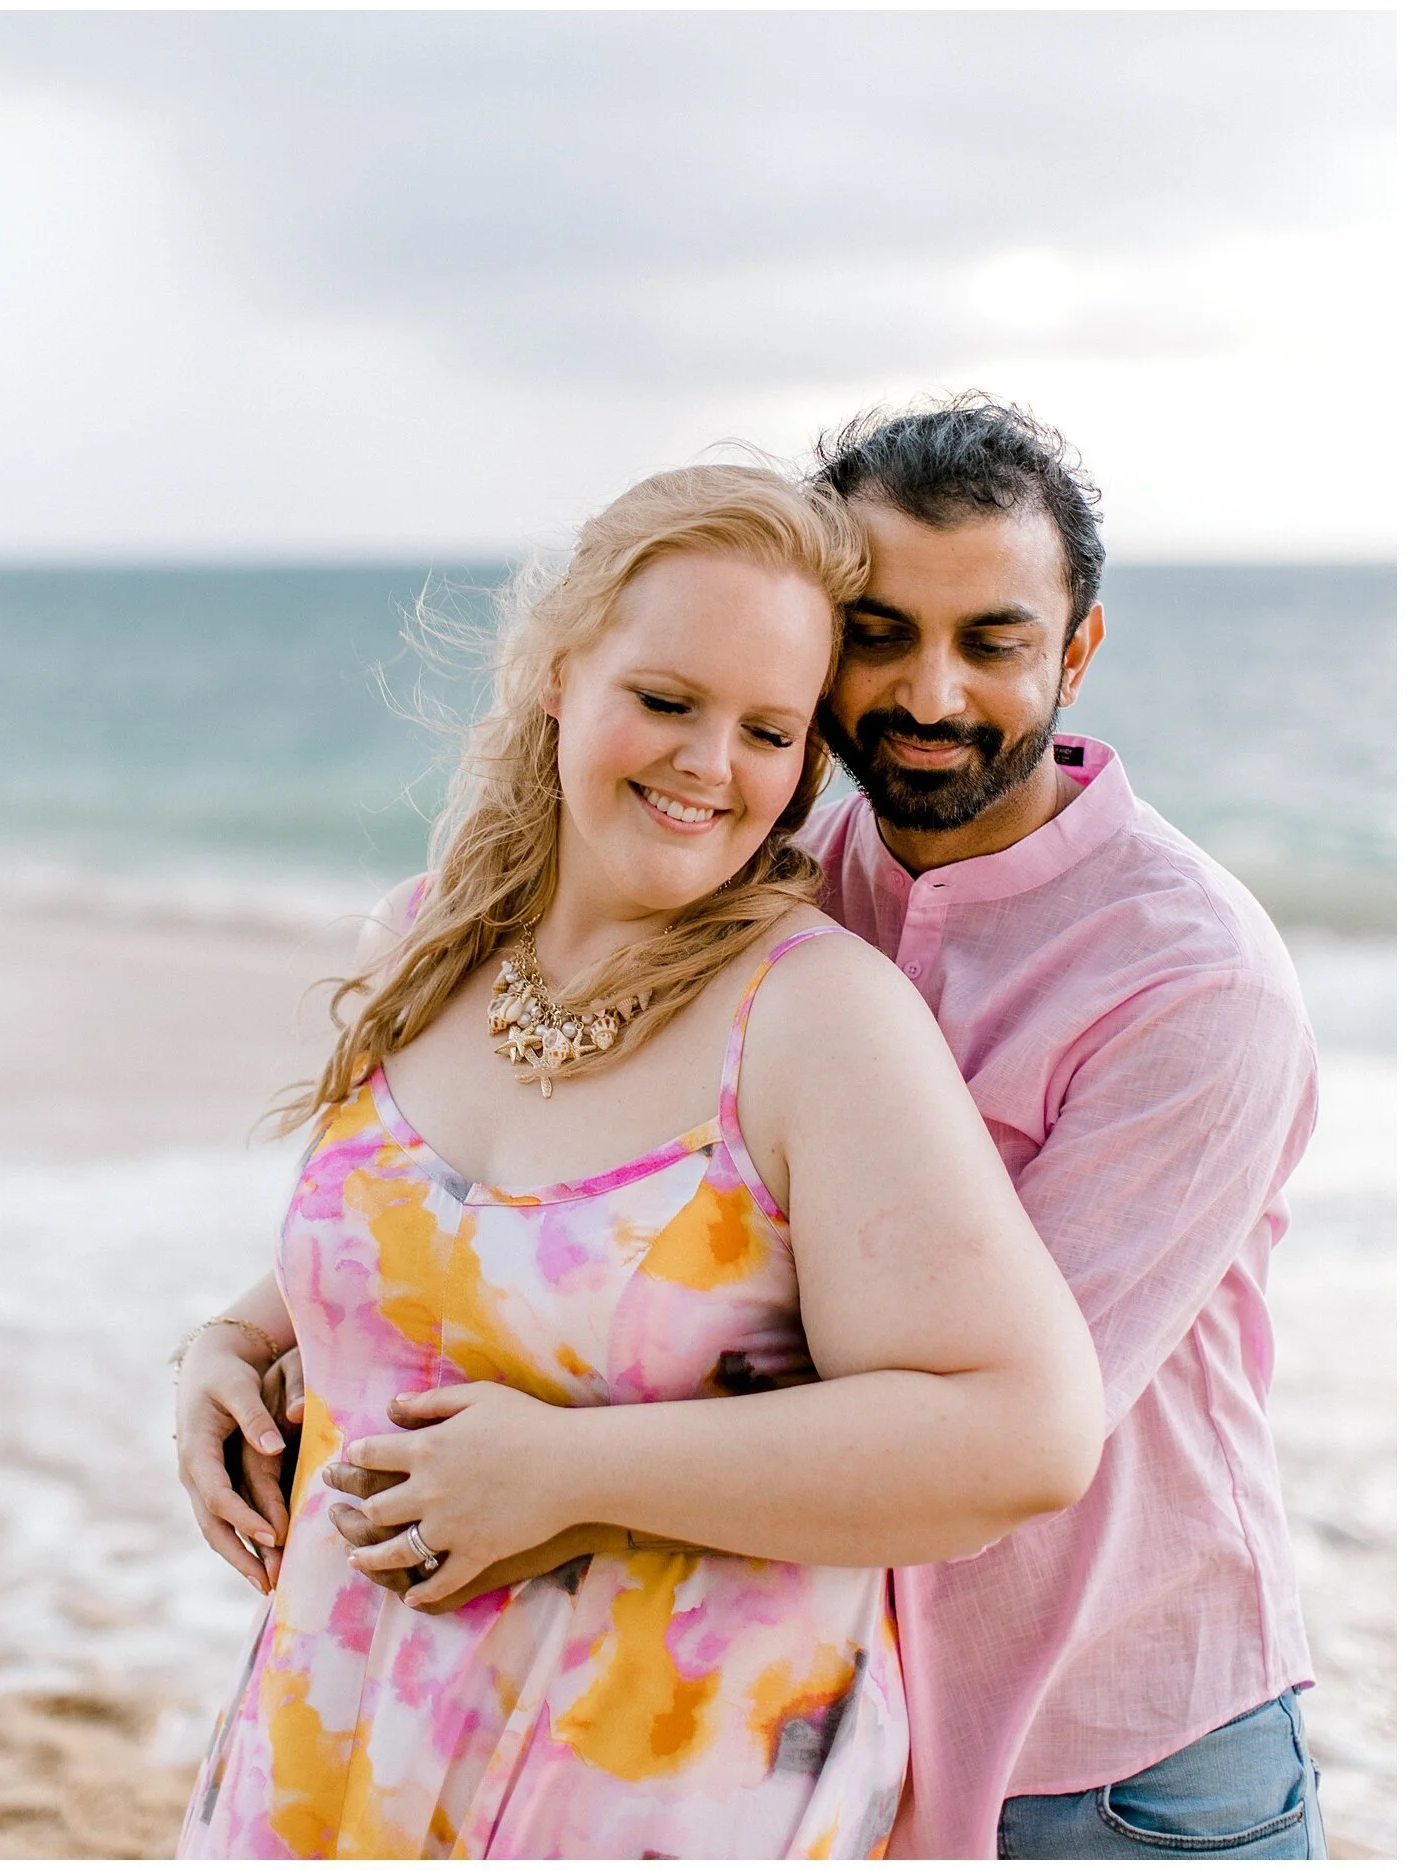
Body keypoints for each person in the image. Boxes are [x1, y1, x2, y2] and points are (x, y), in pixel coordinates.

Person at [317, 397, 1329, 1859]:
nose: (927, 692)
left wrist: (560, 1469)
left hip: (1110, 1765)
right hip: (811, 1723)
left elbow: (974, 1435)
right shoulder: (774, 873)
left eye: (991, 638)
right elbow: (573, 1167)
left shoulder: (1192, 984)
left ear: (1078, 649)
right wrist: (268, 1323)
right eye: (878, 632)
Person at [172, 462, 1103, 1859]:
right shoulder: (421, 947)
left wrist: (570, 1470)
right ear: (559, 674)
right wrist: (231, 1344)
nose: (707, 768)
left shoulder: (814, 1020)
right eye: (666, 701)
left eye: (768, 731)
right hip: (333, 1747)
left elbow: (1026, 1432)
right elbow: (455, 1249)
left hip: (650, 1789)